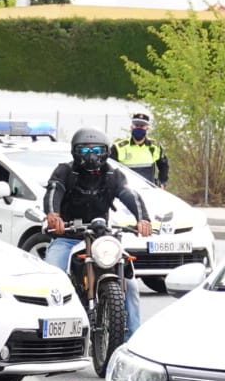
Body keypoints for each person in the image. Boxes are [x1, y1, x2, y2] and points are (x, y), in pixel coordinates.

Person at [43, 127, 151, 341]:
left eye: (96, 149)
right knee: (52, 277)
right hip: (68, 236)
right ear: (75, 152)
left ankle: (133, 341)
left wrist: (143, 218)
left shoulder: (113, 174)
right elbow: (54, 190)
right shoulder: (65, 171)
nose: (90, 155)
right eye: (84, 150)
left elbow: (129, 194)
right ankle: (49, 335)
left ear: (105, 152)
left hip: (101, 237)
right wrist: (53, 215)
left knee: (129, 284)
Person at [113, 106, 169, 187]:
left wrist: (162, 183)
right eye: (136, 125)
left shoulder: (155, 146)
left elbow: (163, 166)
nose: (139, 128)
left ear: (147, 128)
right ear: (132, 126)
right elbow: (110, 169)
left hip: (147, 189)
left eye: (142, 126)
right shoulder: (118, 147)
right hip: (125, 189)